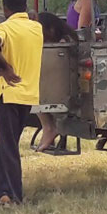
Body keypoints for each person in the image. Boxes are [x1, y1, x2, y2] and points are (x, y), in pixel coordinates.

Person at [0, 0, 43, 205]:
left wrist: (6, 67)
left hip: (8, 92)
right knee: (8, 144)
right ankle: (3, 192)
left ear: (5, 7)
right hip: (28, 95)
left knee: (8, 147)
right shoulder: (36, 27)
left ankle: (14, 195)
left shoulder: (5, 27)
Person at [33, 12, 77, 153]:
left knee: (35, 93)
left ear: (51, 29)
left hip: (64, 86)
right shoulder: (64, 39)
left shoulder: (63, 43)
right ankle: (49, 128)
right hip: (60, 84)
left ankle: (49, 128)